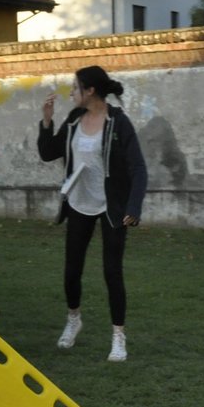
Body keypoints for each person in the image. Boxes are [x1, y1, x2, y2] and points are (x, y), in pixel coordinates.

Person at [37, 64, 148, 360]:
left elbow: (138, 168)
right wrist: (46, 121)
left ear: (91, 91)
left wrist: (133, 207)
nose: (72, 93)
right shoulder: (75, 118)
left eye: (75, 88)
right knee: (72, 269)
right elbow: (48, 152)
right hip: (78, 203)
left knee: (112, 271)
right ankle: (74, 319)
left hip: (111, 208)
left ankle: (118, 337)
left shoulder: (118, 122)